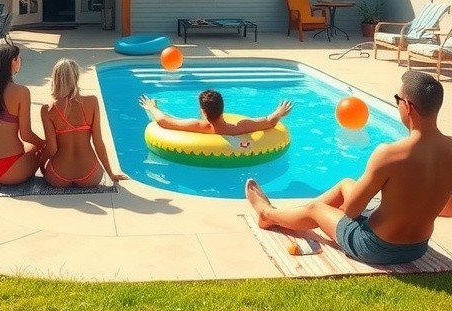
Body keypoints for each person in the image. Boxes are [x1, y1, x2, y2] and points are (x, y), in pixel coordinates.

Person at [246, 69, 452, 266]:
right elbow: (448, 209)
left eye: (397, 100)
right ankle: (295, 215)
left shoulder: (390, 153)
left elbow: (352, 210)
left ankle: (267, 214)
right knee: (346, 184)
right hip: (417, 248)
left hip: (374, 247)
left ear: (407, 106)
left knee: (316, 209)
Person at [41, 59, 127, 187]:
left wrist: (39, 162)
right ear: (76, 77)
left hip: (58, 175)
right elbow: (98, 142)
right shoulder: (92, 102)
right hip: (90, 174)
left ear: (55, 79)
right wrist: (111, 173)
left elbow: (52, 149)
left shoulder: (48, 110)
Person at [0, 43, 45, 185]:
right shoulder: (21, 92)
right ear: (13, 61)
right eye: (19, 59)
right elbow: (26, 135)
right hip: (11, 169)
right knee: (36, 149)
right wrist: (45, 144)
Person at [139, 88, 293, 135]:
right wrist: (279, 112)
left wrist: (152, 107)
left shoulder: (197, 126)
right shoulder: (240, 127)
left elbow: (164, 122)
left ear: (203, 112)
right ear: (223, 108)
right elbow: (269, 121)